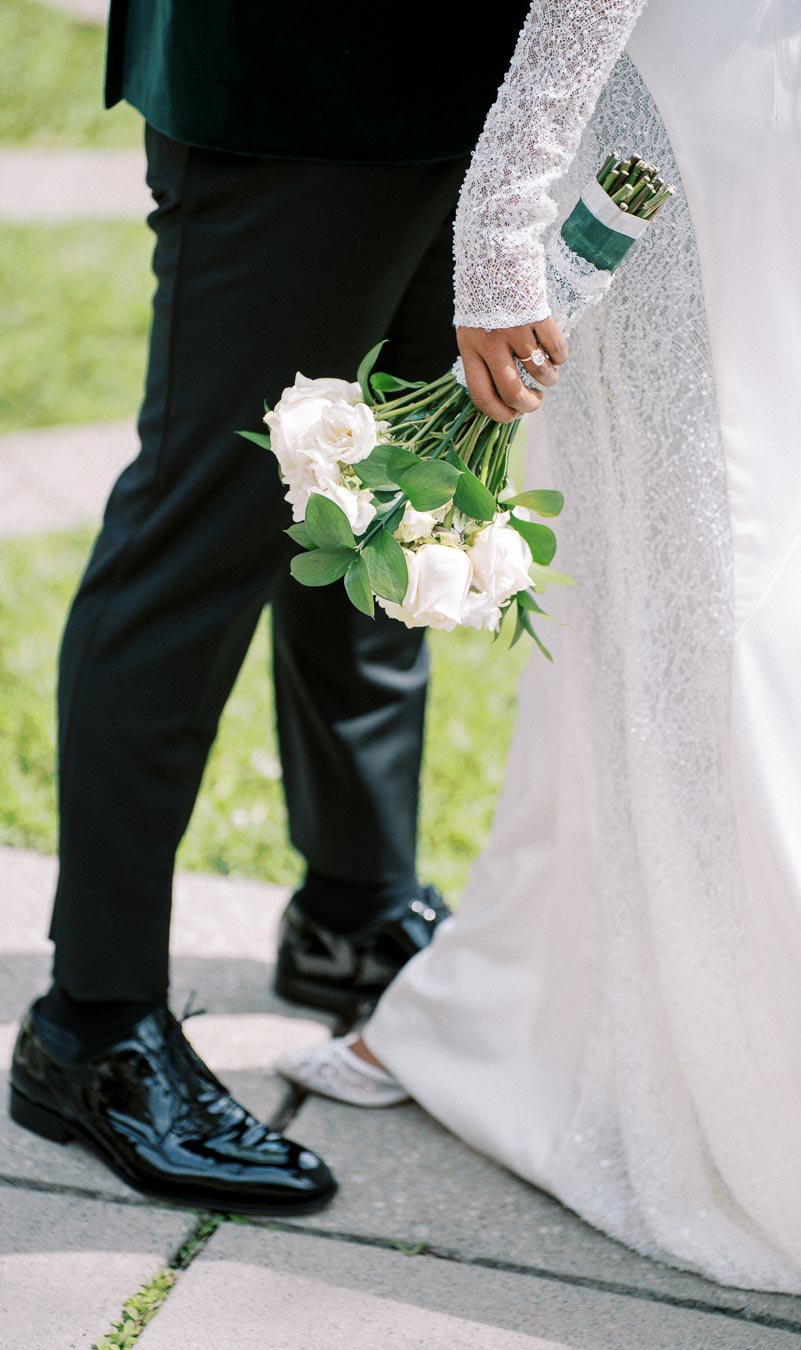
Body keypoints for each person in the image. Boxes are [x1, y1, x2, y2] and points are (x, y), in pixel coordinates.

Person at [276, 0, 801, 1337]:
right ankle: (503, 994)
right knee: (681, 552)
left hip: (691, 85)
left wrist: (499, 228)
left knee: (701, 561)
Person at [8, 1, 527, 1214]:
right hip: (292, 70)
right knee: (203, 533)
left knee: (384, 505)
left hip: (475, 84)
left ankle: (353, 908)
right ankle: (91, 1026)